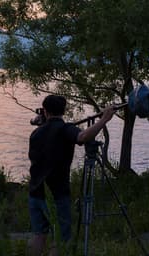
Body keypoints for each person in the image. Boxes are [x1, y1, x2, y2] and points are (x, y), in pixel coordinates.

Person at [27, 95, 116, 256]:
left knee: (39, 235)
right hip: (57, 194)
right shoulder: (65, 129)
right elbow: (82, 137)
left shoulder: (36, 134)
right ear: (64, 110)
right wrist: (104, 119)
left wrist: (42, 124)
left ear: (45, 111)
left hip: (35, 193)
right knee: (60, 238)